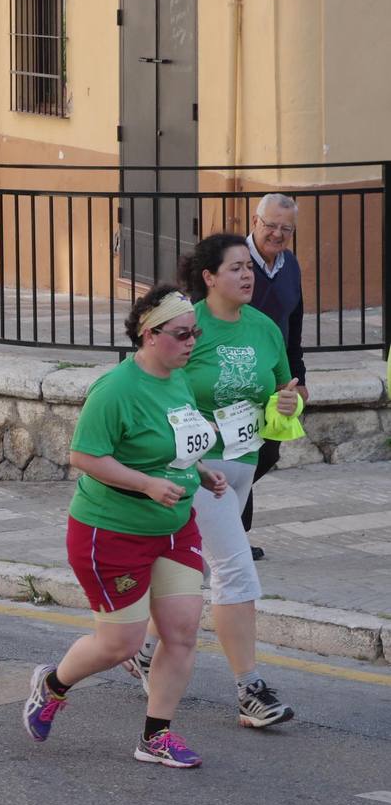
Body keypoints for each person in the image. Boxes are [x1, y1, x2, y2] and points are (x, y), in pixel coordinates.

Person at [23, 286, 226, 768]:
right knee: (121, 644)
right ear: (150, 335)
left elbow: (175, 439)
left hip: (175, 528)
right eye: (181, 334)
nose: (191, 341)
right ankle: (52, 686)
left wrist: (201, 470)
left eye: (194, 332)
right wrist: (146, 485)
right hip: (110, 531)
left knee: (181, 633)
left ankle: (156, 736)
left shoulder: (179, 380)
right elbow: (84, 456)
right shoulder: (115, 389)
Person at [129, 234, 300, 729]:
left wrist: (286, 404)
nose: (247, 275)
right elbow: (148, 382)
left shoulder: (264, 328)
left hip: (243, 463)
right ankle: (250, 690)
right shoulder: (186, 326)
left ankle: (142, 650)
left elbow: (282, 391)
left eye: (249, 267)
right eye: (235, 268)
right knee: (235, 568)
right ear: (208, 277)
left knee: (193, 567)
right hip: (197, 467)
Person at [241, 193, 307, 558]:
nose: (277, 234)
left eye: (286, 228)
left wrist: (299, 377)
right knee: (240, 452)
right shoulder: (235, 260)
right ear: (255, 221)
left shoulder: (290, 266)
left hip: (273, 378)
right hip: (234, 373)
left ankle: (227, 527)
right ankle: (234, 534)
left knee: (266, 454)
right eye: (270, 225)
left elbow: (293, 326)